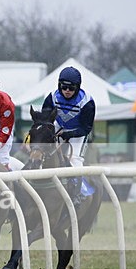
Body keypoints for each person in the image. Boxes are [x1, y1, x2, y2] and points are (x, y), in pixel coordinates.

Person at [41, 66, 95, 205]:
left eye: (71, 88)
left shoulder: (87, 102)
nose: (67, 91)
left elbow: (86, 128)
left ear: (77, 87)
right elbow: (46, 119)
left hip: (79, 132)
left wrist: (70, 134)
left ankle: (77, 194)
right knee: (45, 154)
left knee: (75, 160)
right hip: (59, 127)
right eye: (64, 87)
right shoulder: (52, 97)